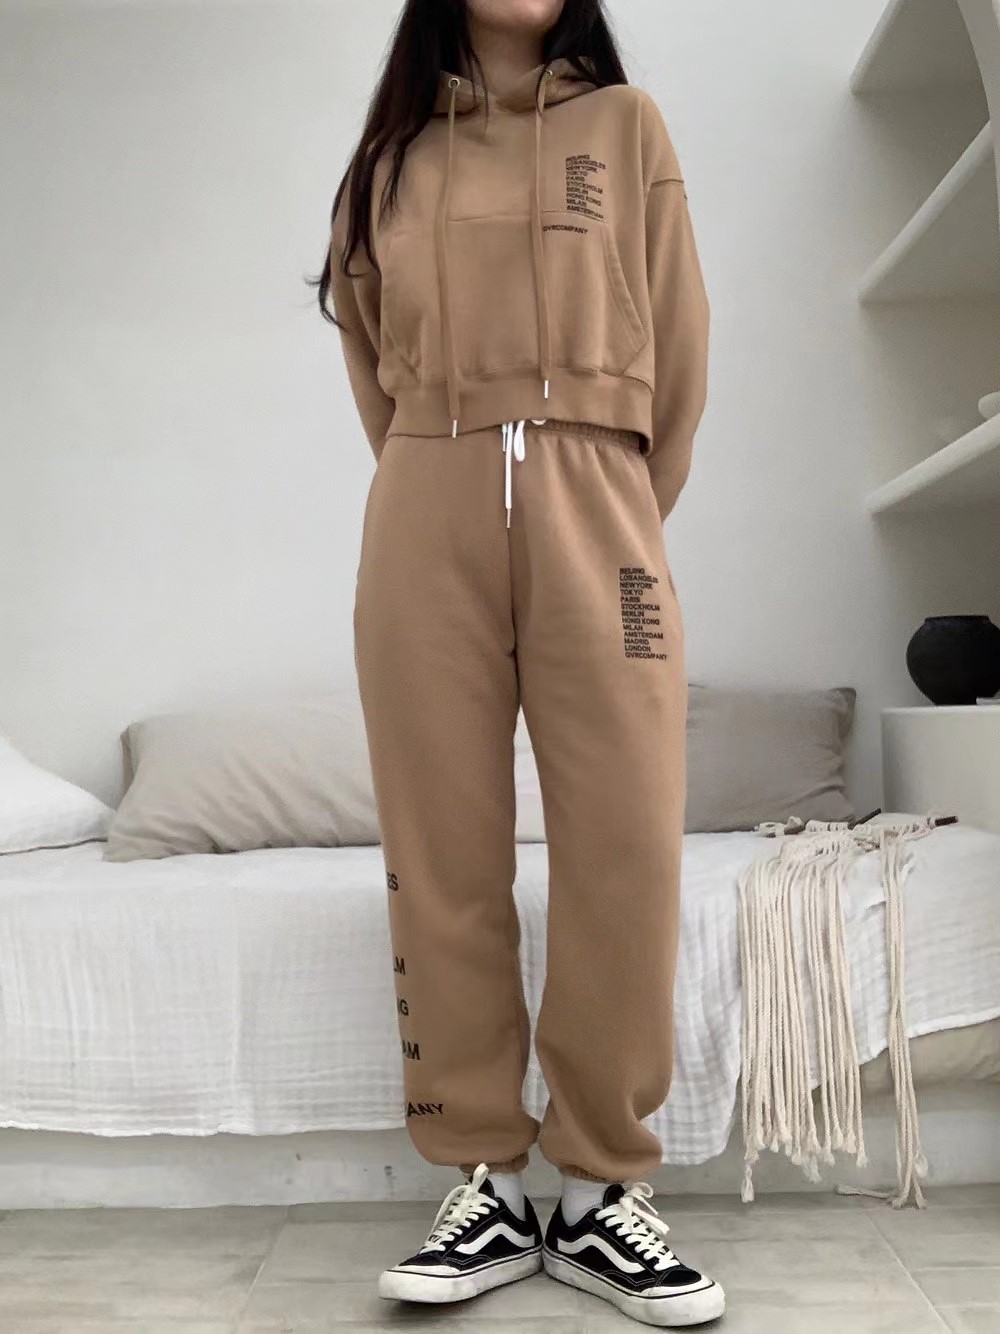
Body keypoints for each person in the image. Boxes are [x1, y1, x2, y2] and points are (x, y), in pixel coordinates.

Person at [316, 0, 719, 1325]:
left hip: (602, 504)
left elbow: (681, 344)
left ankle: (602, 1187)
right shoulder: (389, 160)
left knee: (628, 843)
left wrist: (606, 498)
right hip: (423, 508)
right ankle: (481, 1178)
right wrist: (446, 475)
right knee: (442, 849)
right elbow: (372, 366)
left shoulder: (626, 127)